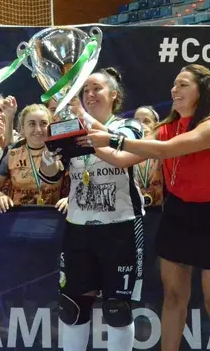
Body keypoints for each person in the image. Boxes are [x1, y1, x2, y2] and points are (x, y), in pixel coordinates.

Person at [86, 64, 210, 351]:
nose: (174, 90)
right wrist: (82, 123)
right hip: (177, 213)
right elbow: (121, 158)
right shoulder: (166, 127)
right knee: (173, 297)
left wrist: (111, 138)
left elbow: (165, 150)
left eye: (182, 84)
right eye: (174, 84)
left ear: (202, 90)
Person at [50, 68, 145, 351]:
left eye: (96, 89)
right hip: (79, 228)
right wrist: (48, 153)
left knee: (117, 309)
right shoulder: (71, 128)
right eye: (85, 90)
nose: (90, 95)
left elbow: (122, 159)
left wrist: (80, 114)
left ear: (113, 95)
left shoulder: (128, 127)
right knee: (73, 306)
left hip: (121, 227)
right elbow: (51, 174)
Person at [0, 104, 67, 210]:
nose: (38, 129)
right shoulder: (11, 152)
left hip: (53, 216)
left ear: (50, 126)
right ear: (23, 128)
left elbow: (78, 181)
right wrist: (0, 197)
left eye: (43, 124)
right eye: (32, 124)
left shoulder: (61, 150)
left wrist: (69, 199)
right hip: (21, 217)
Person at [133, 105, 163, 207]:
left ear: (156, 125)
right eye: (137, 122)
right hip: (136, 211)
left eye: (146, 121)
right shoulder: (126, 153)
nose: (141, 125)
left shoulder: (164, 150)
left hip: (162, 210)